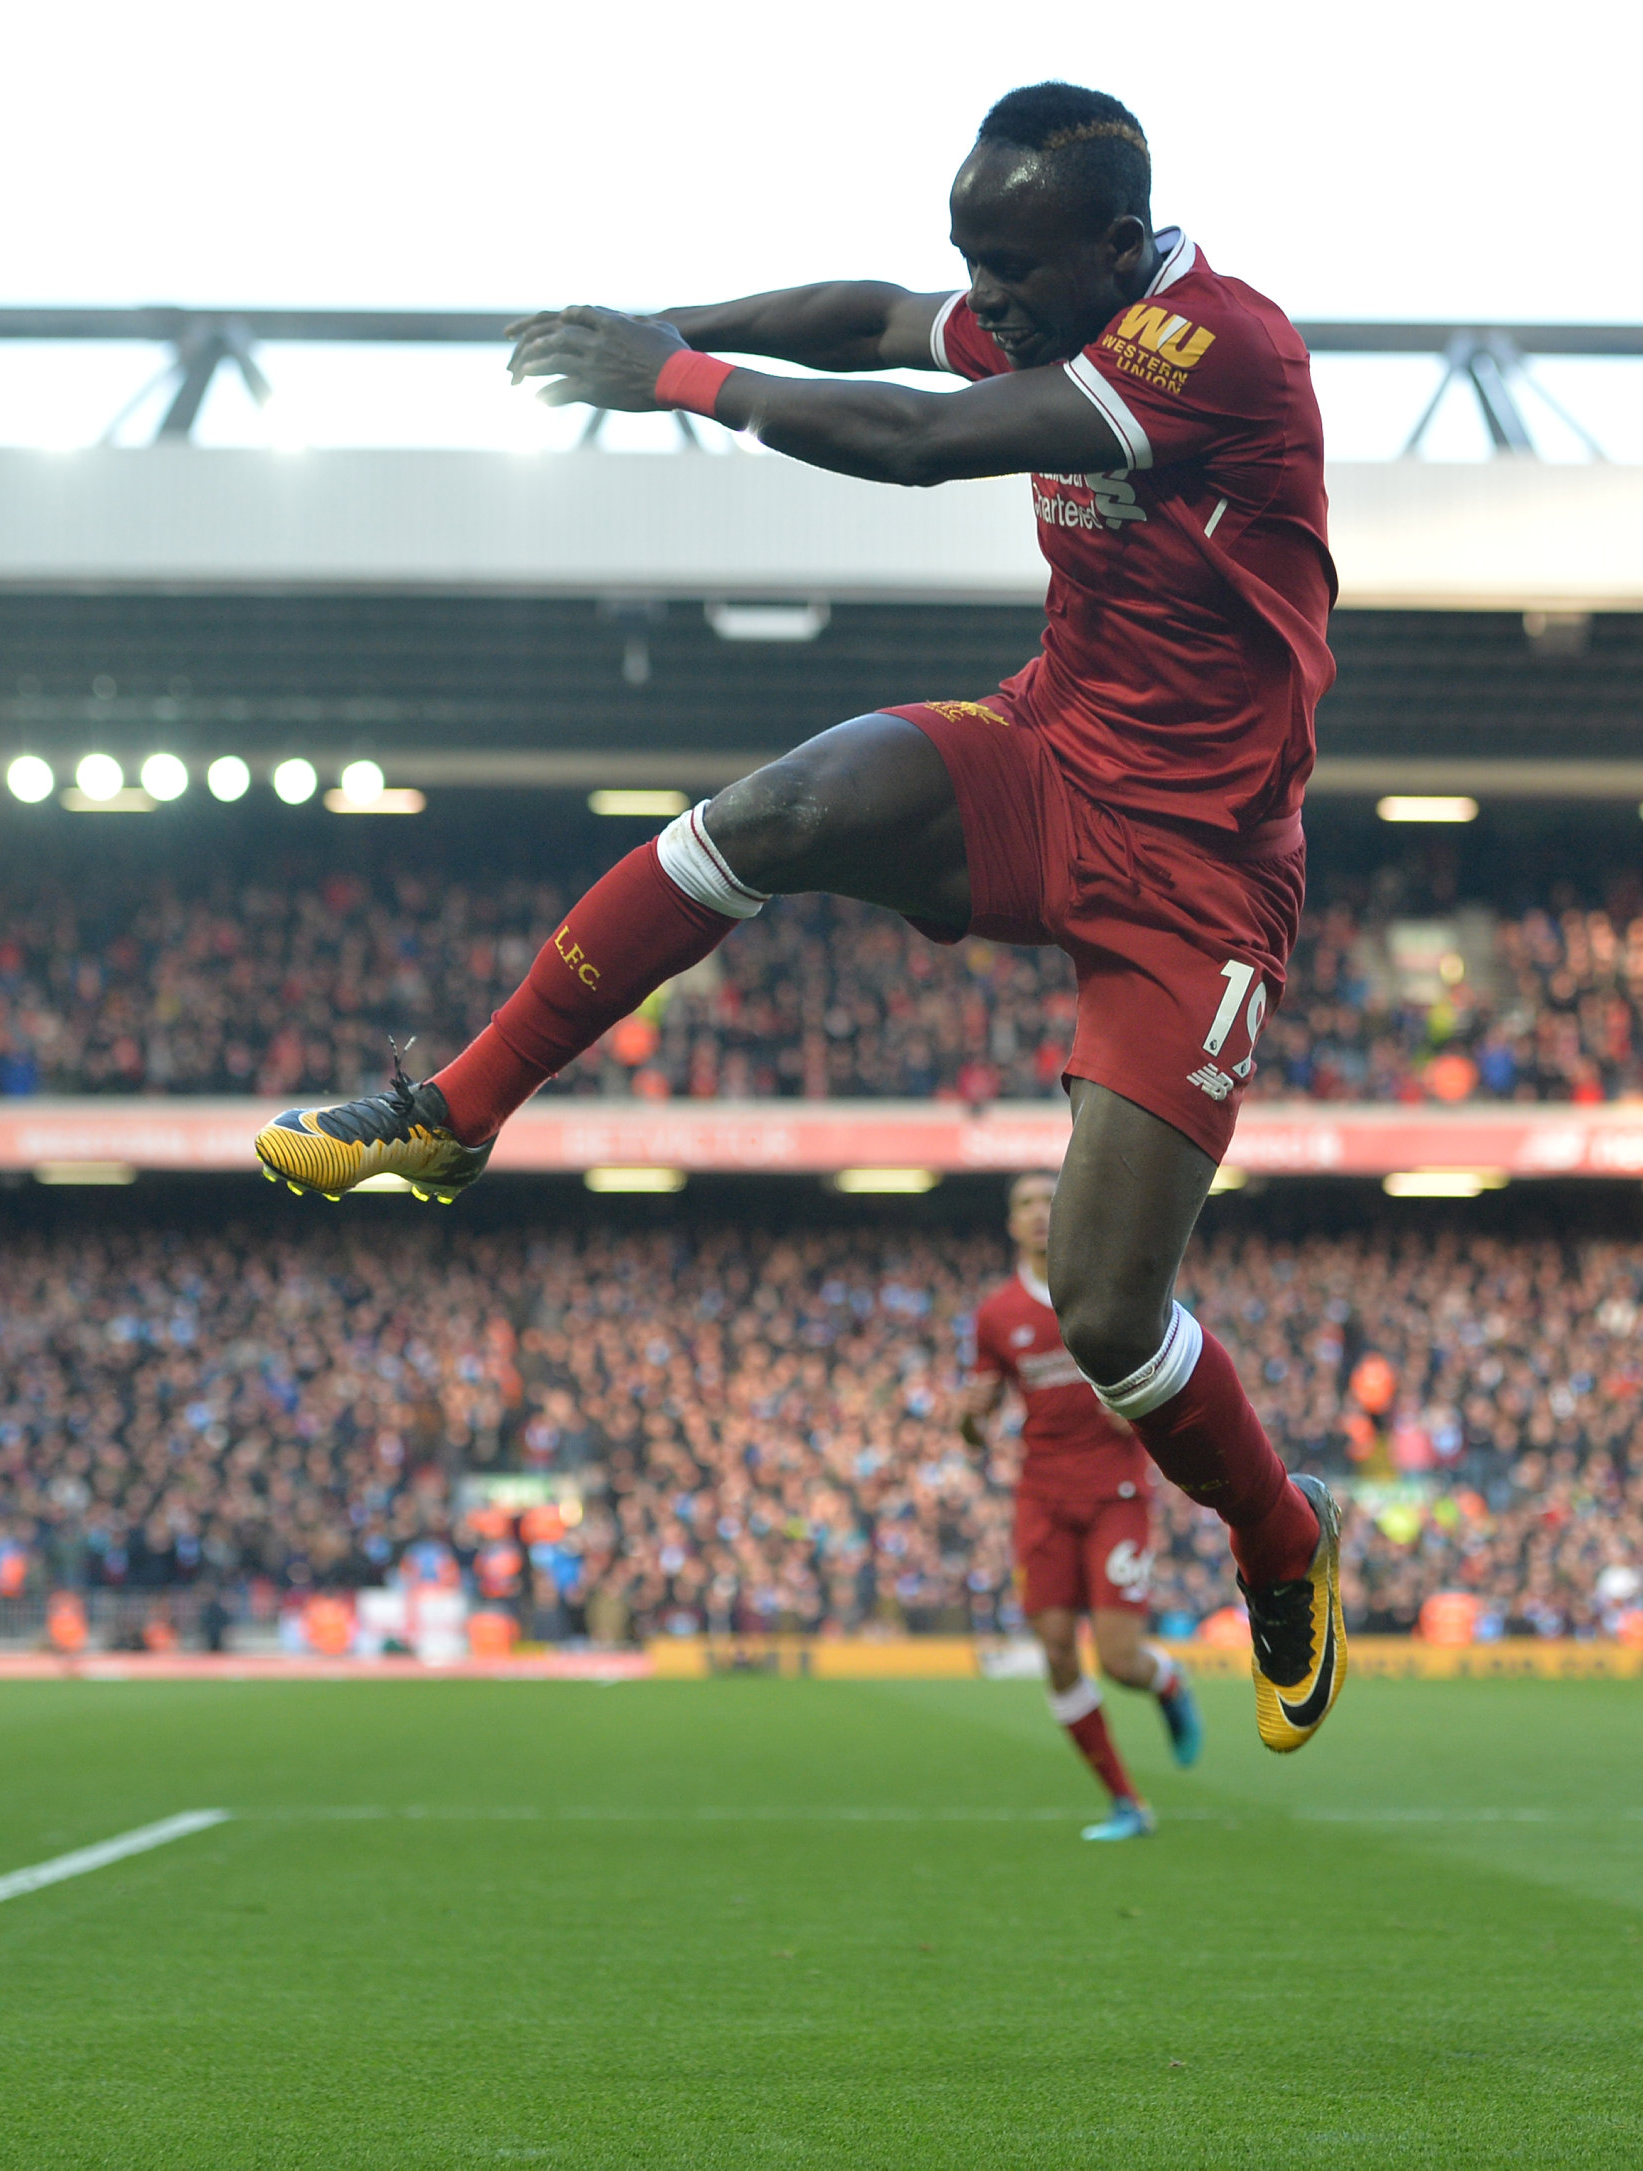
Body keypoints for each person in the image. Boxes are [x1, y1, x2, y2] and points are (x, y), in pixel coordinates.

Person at [251, 81, 1346, 1752]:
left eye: (1016, 270)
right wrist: (667, 324)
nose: (983, 303)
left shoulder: (1218, 355)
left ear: (1122, 249)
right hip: (1051, 756)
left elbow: (908, 441)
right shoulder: (1043, 297)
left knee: (1111, 1317)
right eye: (972, 259)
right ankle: (453, 1112)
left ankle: (1282, 1542)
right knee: (772, 814)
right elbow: (874, 323)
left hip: (1200, 868)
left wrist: (675, 382)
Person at [960, 1171, 1205, 1838]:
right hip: (1041, 1496)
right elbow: (978, 1414)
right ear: (1011, 1222)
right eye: (1026, 1205)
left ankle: (1167, 1683)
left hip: (1114, 1494)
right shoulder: (996, 1316)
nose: (1040, 1213)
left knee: (1120, 1660)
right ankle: (1127, 1801)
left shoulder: (1110, 1292)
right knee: (1059, 1652)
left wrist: (1134, 1413)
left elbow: (1164, 1391)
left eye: (1050, 1201)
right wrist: (969, 1420)